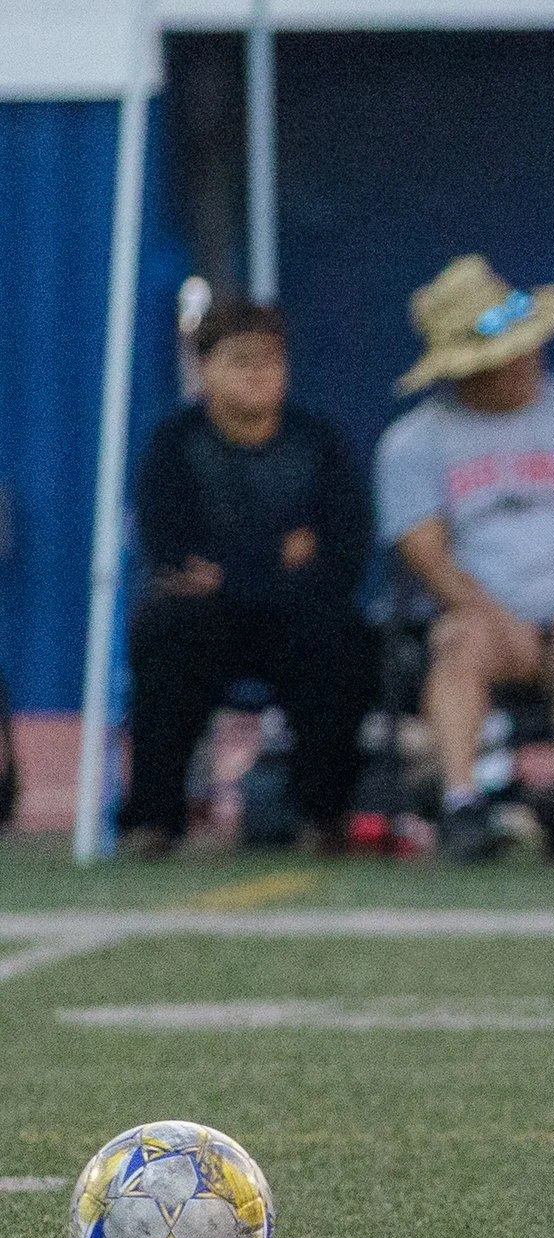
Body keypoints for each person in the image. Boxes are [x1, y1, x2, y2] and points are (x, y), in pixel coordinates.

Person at [377, 256, 554, 864]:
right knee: (458, 640)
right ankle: (460, 802)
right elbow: (423, 549)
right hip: (484, 612)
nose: (526, 359)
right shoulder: (415, 440)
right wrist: (490, 611)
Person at [120, 301, 373, 855]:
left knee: (340, 638)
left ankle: (324, 815)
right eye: (242, 360)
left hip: (300, 616)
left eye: (272, 359)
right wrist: (276, 554)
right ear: (204, 368)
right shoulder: (174, 446)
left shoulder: (319, 443)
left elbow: (345, 550)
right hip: (204, 620)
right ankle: (154, 819)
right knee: (166, 631)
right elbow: (171, 550)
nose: (261, 372)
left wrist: (232, 567)